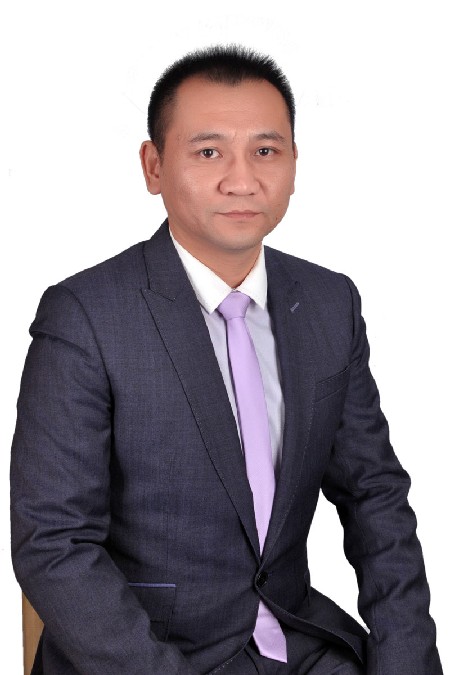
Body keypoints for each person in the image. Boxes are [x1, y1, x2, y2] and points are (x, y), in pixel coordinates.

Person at [10, 45, 442, 675]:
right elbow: (53, 542)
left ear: (294, 163)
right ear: (154, 166)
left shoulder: (330, 302)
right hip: (150, 654)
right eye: (208, 152)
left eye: (265, 151)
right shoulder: (85, 316)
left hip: (299, 641)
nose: (242, 180)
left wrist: (407, 663)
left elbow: (376, 498)